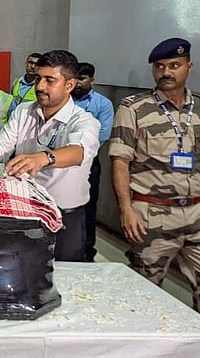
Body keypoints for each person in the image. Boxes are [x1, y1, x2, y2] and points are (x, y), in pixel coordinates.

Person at [109, 38, 200, 328]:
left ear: (189, 67)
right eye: (160, 66)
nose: (166, 72)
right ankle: (145, 341)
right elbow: (120, 161)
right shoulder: (134, 108)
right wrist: (126, 209)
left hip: (199, 211)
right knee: (145, 288)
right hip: (152, 212)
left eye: (174, 65)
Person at [0, 50, 100, 261]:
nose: (40, 86)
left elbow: (79, 151)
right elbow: (1, 144)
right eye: (38, 78)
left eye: (49, 80)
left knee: (63, 273)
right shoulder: (25, 111)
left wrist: (43, 158)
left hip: (64, 216)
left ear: (69, 85)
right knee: (22, 269)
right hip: (25, 210)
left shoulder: (83, 121)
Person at [71, 62, 114, 262]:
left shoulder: (103, 104)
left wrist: (78, 150)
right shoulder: (65, 100)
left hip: (89, 162)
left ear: (92, 80)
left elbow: (102, 135)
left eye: (82, 78)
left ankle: (87, 250)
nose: (78, 83)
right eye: (76, 78)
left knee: (88, 207)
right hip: (60, 161)